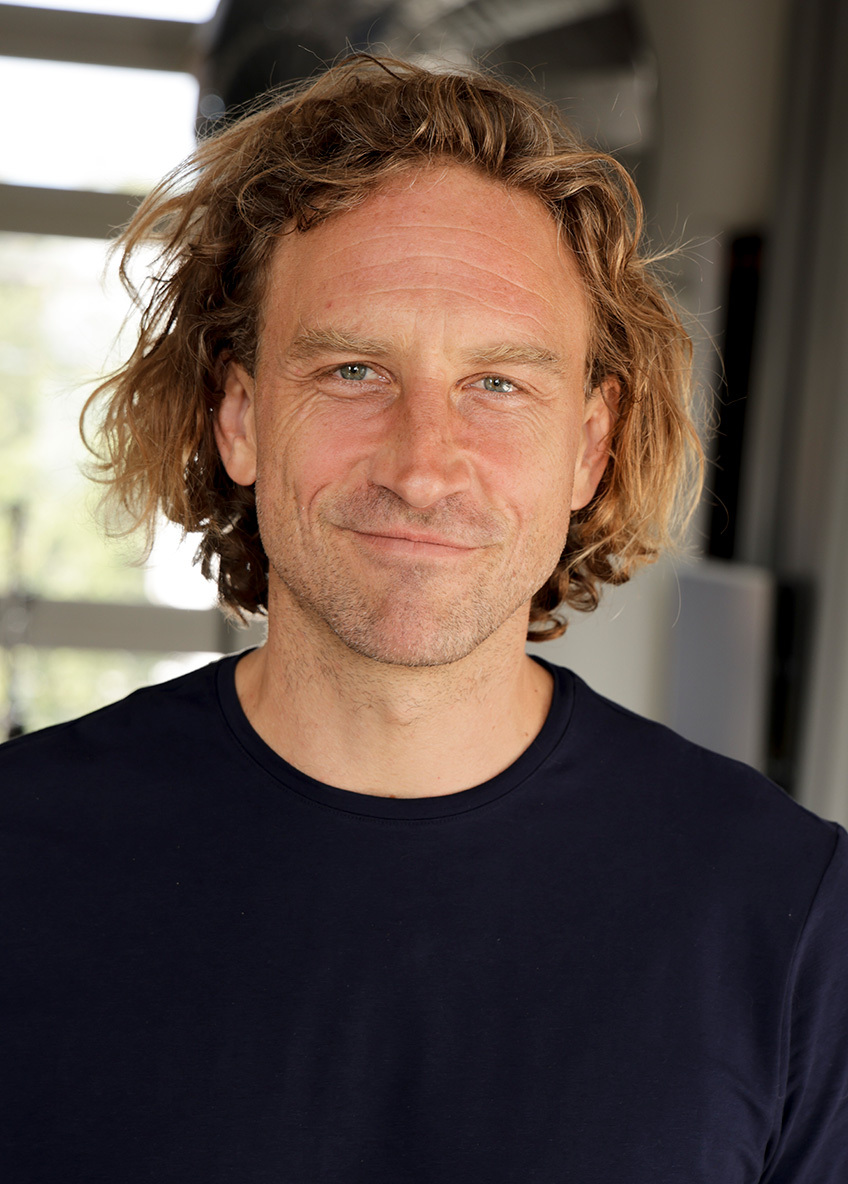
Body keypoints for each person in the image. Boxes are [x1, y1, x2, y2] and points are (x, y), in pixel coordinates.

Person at [1, 54, 846, 1183]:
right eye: (354, 369)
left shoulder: (788, 916)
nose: (422, 465)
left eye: (498, 383)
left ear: (589, 446)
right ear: (240, 416)